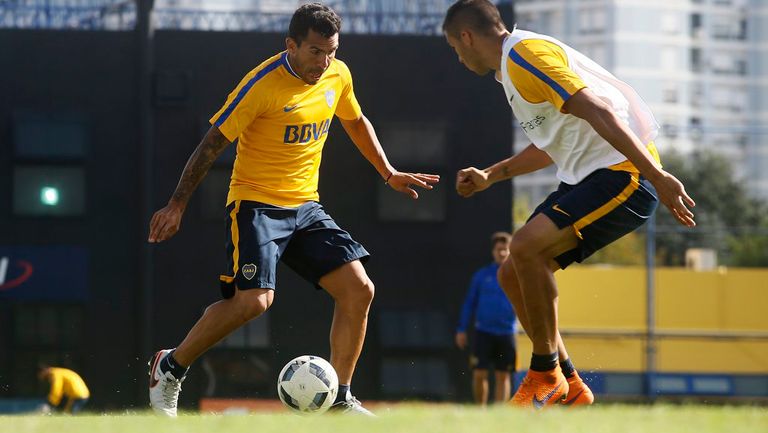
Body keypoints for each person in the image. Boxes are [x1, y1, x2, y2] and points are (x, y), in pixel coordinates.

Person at [146, 3, 439, 417]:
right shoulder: (261, 85)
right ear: (291, 45)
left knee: (360, 290)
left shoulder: (339, 74)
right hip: (257, 205)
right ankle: (171, 366)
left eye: (331, 51)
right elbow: (211, 144)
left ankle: (338, 398)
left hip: (305, 205)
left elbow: (355, 121)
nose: (324, 61)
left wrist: (388, 172)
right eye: (316, 51)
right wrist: (177, 204)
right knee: (254, 302)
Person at [442, 0, 695, 408]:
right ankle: (571, 384)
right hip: (592, 177)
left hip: (624, 176)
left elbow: (597, 109)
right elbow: (551, 145)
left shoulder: (525, 55)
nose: (458, 56)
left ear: (467, 37)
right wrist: (492, 175)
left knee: (524, 247)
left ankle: (544, 372)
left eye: (455, 47)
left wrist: (656, 174)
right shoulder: (513, 68)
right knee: (512, 272)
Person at [455, 231, 517, 406]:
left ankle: (499, 412)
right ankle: (480, 410)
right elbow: (469, 303)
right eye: (499, 249)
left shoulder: (516, 275)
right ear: (493, 251)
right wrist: (461, 329)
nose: (502, 253)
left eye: (506, 249)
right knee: (479, 373)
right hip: (484, 331)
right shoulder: (481, 276)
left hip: (507, 333)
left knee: (503, 375)